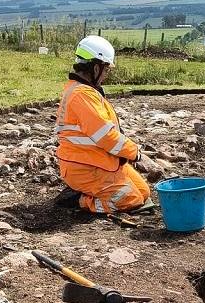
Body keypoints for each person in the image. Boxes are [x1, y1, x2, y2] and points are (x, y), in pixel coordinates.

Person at [54, 35, 159, 215]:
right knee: (130, 199)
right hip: (83, 167)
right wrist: (135, 154)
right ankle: (80, 200)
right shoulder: (82, 95)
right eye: (106, 70)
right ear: (96, 68)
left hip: (98, 162)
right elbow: (107, 136)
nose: (106, 75)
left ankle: (91, 192)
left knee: (144, 192)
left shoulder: (85, 91)